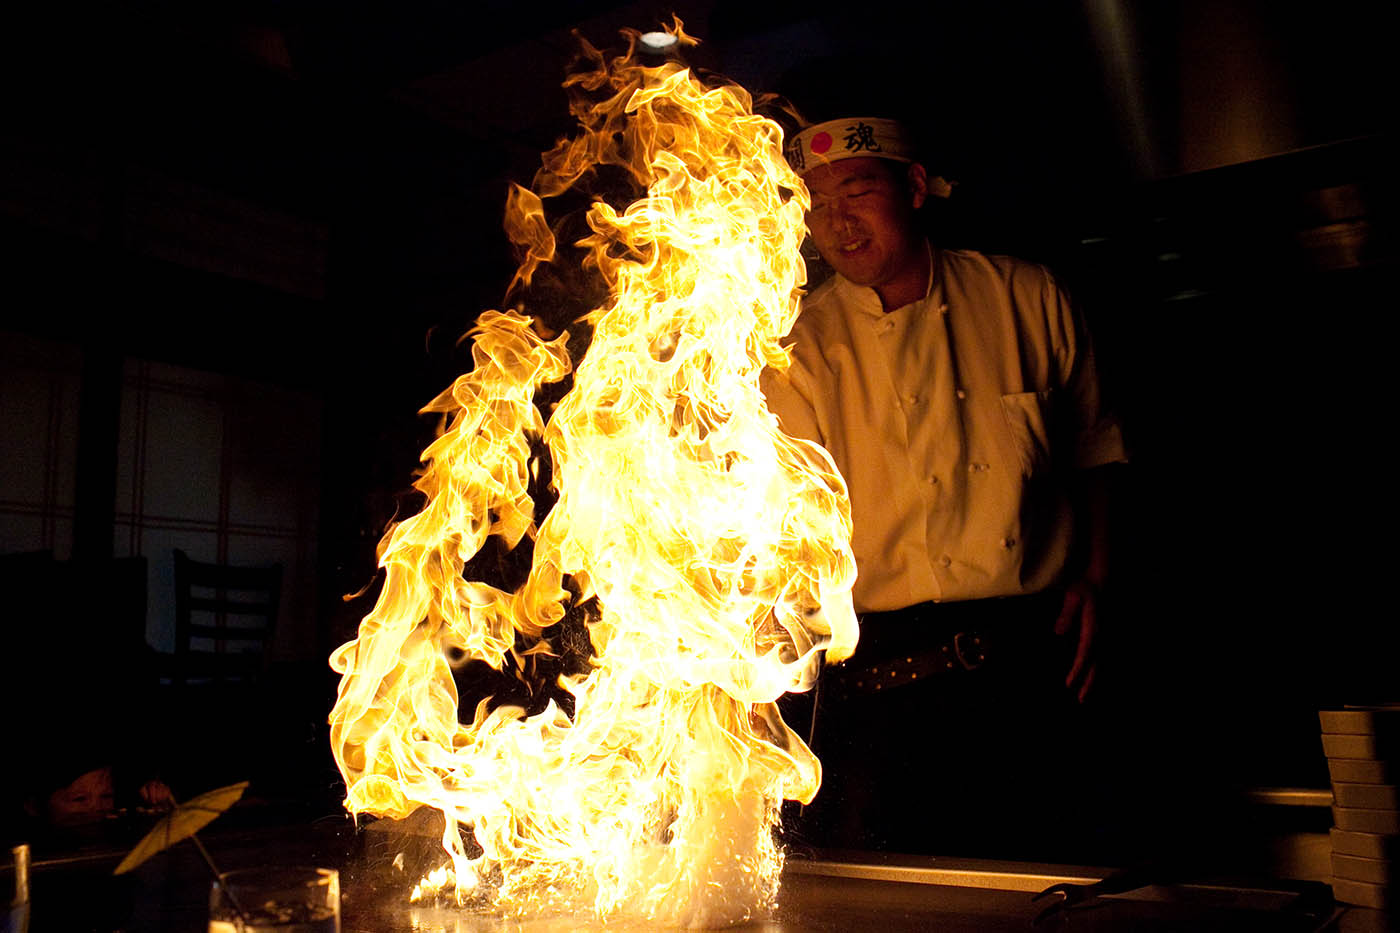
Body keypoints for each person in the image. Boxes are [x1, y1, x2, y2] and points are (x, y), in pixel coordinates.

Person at [765, 116, 1128, 859]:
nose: (837, 222)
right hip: (878, 688)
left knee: (1061, 880)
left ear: (917, 187)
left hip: (1037, 662)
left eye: (858, 191)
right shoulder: (798, 347)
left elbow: (1095, 451)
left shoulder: (1027, 296)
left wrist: (1098, 577)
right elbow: (783, 525)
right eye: (817, 204)